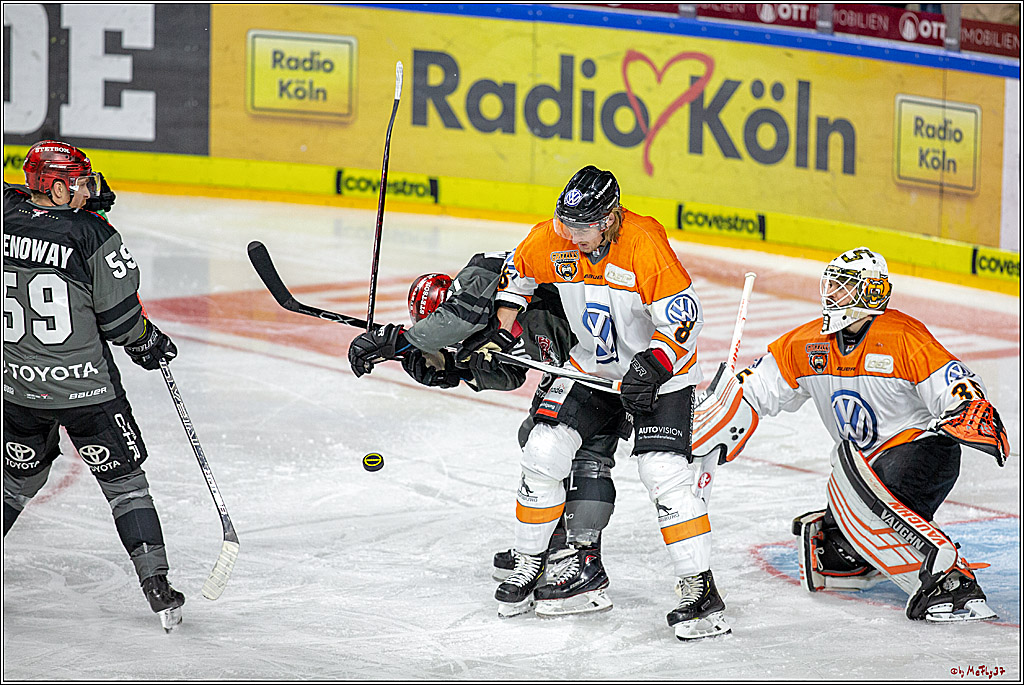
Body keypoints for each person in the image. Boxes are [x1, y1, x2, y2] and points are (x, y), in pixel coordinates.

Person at [474, 165, 728, 640]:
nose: (572, 236)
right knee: (543, 450)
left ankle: (700, 588)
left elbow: (683, 322)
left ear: (610, 219)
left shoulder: (644, 241)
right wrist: (501, 331)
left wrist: (652, 366)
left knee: (663, 475)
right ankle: (533, 562)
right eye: (566, 225)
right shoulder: (552, 238)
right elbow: (516, 282)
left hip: (659, 375)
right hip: (589, 370)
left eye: (583, 227)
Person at [711, 246, 1008, 622]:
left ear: (871, 293)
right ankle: (866, 559)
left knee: (876, 504)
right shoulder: (807, 342)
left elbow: (955, 382)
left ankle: (953, 582)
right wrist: (718, 404)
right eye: (831, 285)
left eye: (844, 287)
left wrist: (966, 408)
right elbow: (756, 387)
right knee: (833, 551)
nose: (831, 295)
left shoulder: (902, 336)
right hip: (862, 471)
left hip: (920, 452)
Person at [347, 253, 621, 616]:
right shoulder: (483, 326)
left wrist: (400, 340)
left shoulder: (483, 273)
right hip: (581, 361)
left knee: (561, 449)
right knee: (541, 442)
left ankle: (579, 562)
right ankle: (554, 549)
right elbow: (509, 374)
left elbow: (459, 318)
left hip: (603, 354)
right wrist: (449, 368)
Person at [3, 140, 185, 631]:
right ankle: (156, 586)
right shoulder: (93, 236)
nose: (89, 189)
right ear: (58, 186)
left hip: (16, 388)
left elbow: (20, 204)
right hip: (87, 392)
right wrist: (150, 343)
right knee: (124, 483)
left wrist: (70, 205)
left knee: (16, 481)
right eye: (79, 182)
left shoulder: (6, 213)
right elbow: (123, 323)